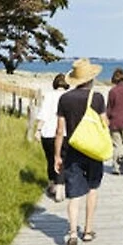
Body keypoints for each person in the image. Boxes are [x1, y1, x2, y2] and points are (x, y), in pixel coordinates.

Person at [55, 58, 107, 245]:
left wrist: (57, 155)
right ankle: (87, 230)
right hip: (93, 150)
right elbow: (104, 124)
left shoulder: (65, 99)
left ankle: (72, 235)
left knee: (74, 195)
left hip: (72, 151)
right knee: (92, 188)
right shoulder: (97, 98)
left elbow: (60, 130)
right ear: (91, 78)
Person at [36, 73, 70, 201]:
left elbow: (43, 114)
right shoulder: (68, 96)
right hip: (65, 133)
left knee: (50, 159)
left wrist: (38, 130)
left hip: (48, 133)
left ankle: (52, 185)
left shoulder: (49, 95)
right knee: (63, 160)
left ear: (55, 84)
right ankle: (60, 189)